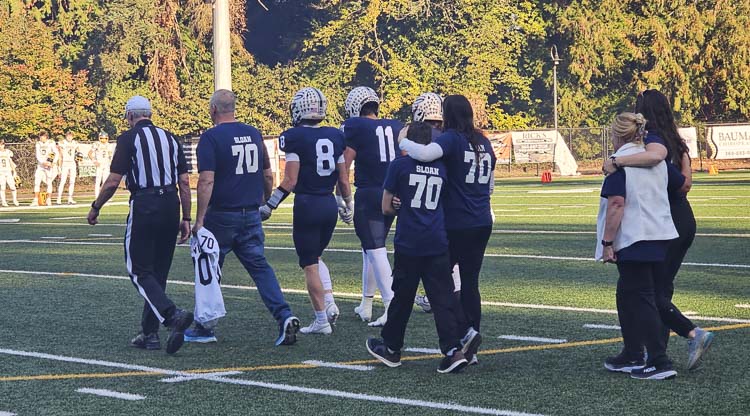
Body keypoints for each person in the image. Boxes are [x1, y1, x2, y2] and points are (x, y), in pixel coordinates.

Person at [603, 90, 714, 370]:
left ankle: (665, 347)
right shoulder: (677, 140)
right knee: (645, 288)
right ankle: (643, 350)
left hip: (659, 218)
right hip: (677, 215)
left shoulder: (652, 141)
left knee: (645, 290)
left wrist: (618, 162)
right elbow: (685, 183)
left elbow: (657, 157)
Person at [185, 89, 300, 346]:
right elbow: (268, 175)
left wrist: (200, 218)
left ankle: (205, 325)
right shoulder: (253, 133)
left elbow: (206, 180)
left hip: (222, 216)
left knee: (209, 268)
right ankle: (284, 315)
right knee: (260, 268)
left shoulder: (211, 138)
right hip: (250, 214)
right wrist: (263, 201)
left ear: (213, 109)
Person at [87, 95, 194, 355]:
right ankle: (149, 333)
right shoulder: (170, 138)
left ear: (130, 116)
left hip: (145, 205)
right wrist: (187, 217)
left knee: (138, 269)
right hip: (171, 204)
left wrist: (96, 206)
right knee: (157, 273)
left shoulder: (128, 139)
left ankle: (170, 315)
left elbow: (113, 180)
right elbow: (184, 182)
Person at [366, 122, 475, 374]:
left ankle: (391, 348)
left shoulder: (399, 166)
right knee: (442, 299)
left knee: (402, 299)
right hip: (437, 239)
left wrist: (399, 203)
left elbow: (385, 208)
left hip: (409, 241)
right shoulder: (442, 167)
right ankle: (452, 350)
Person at [398, 95, 495, 365]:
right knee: (470, 282)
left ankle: (463, 336)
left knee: (439, 283)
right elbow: (490, 185)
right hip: (482, 219)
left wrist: (403, 141)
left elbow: (424, 153)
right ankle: (470, 343)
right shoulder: (483, 141)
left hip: (457, 222)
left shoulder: (452, 138)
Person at [260, 87, 353, 335]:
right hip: (328, 206)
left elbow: (290, 180)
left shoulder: (295, 137)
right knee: (317, 257)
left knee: (309, 263)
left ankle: (321, 320)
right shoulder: (335, 136)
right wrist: (348, 203)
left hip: (308, 205)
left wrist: (270, 204)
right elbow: (343, 179)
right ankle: (330, 303)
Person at [597, 112, 679, 380]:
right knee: (644, 297)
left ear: (619, 134)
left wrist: (608, 242)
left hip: (635, 237)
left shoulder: (619, 164)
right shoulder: (654, 159)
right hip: (660, 233)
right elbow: (681, 183)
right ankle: (636, 354)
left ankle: (658, 359)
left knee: (642, 300)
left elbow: (616, 204)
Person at [341, 86, 403, 326]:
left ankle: (390, 304)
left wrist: (342, 197)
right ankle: (366, 304)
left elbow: (344, 164)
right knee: (370, 248)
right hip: (392, 192)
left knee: (375, 248)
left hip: (370, 192)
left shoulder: (355, 127)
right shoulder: (396, 125)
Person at [406, 92, 463, 314]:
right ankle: (445, 295)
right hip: (458, 201)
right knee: (450, 255)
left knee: (441, 256)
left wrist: (403, 140)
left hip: (437, 204)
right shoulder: (454, 135)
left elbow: (411, 162)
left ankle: (443, 296)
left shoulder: (434, 138)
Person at [31, 130, 57, 206]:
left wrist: (53, 162)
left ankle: (48, 199)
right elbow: (37, 154)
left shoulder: (51, 143)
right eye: (40, 137)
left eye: (42, 137)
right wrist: (43, 162)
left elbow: (56, 153)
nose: (41, 138)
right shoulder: (38, 144)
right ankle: (36, 199)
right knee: (37, 181)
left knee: (49, 182)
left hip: (49, 165)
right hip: (41, 165)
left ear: (46, 137)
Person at [57, 131, 80, 205]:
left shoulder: (74, 143)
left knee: (72, 181)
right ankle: (59, 198)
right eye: (68, 136)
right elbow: (60, 154)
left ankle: (70, 198)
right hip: (65, 162)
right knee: (63, 181)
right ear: (66, 136)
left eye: (71, 136)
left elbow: (78, 151)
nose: (69, 137)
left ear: (72, 137)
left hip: (72, 162)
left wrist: (79, 156)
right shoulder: (63, 142)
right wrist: (59, 166)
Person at [89, 131, 113, 199]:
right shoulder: (96, 144)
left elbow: (110, 156)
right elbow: (90, 153)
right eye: (102, 138)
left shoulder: (109, 145)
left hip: (106, 164)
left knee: (106, 181)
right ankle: (97, 196)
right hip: (99, 164)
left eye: (105, 138)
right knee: (98, 181)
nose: (103, 140)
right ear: (99, 138)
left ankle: (105, 196)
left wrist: (110, 163)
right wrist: (94, 161)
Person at [0, 139, 19, 207]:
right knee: (2, 187)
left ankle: (15, 200)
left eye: (2, 144)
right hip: (1, 172)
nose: (1, 146)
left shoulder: (8, 152)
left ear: (4, 145)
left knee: (13, 187)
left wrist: (14, 171)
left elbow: (11, 162)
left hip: (8, 171)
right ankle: (3, 201)